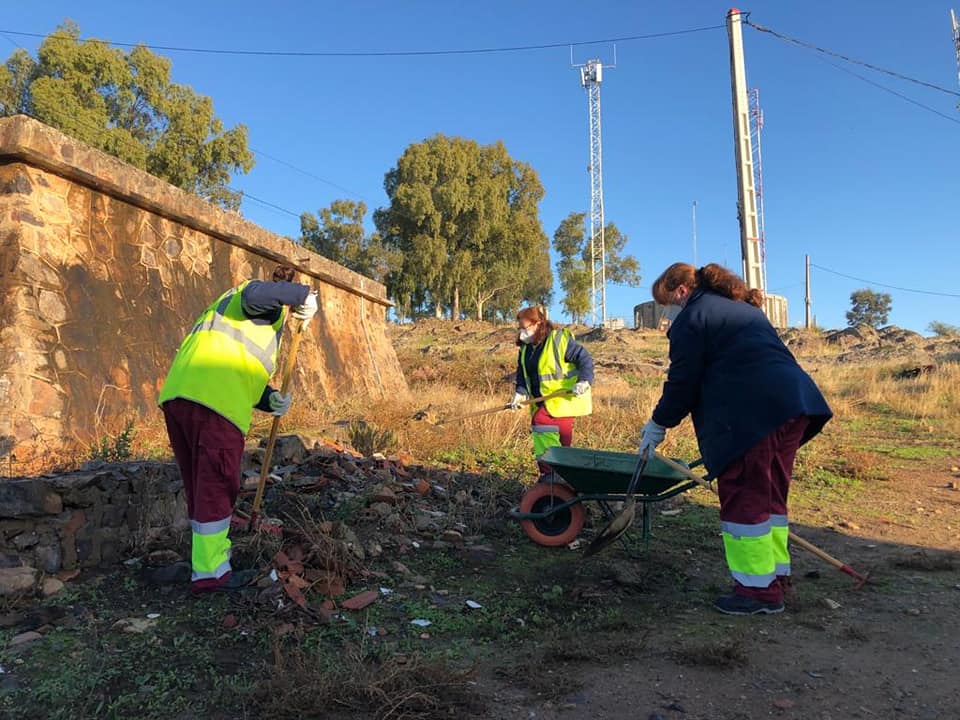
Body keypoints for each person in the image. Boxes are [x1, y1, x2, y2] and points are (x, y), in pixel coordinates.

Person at [638, 262, 832, 616]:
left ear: (680, 290)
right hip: (793, 406)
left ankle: (758, 593)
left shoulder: (694, 316)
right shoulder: (742, 309)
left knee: (745, 498)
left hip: (750, 413)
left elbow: (683, 382)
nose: (670, 312)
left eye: (667, 301)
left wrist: (658, 424)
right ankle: (776, 576)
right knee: (770, 495)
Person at [156, 264, 318, 593]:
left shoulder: (228, 309)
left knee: (200, 485)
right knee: (217, 484)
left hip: (180, 396)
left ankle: (205, 561)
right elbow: (258, 293)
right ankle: (213, 575)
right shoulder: (256, 299)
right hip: (215, 404)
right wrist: (303, 295)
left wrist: (269, 398)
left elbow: (237, 365)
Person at [510, 306, 595, 475]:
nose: (521, 332)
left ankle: (550, 473)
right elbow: (523, 374)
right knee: (562, 442)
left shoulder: (558, 340)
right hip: (542, 402)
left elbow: (584, 359)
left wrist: (584, 380)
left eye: (524, 328)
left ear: (538, 324)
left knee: (540, 423)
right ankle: (561, 477)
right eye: (519, 328)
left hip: (563, 400)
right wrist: (520, 393)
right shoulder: (526, 349)